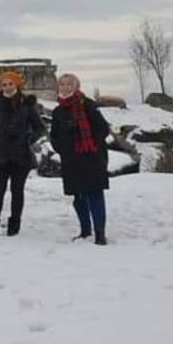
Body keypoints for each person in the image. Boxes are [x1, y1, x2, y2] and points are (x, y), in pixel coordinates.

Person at [0, 71, 45, 238]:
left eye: (10, 84)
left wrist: (28, 139)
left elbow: (40, 127)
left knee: (17, 191)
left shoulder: (27, 105)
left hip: (20, 154)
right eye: (4, 84)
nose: (7, 87)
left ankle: (14, 225)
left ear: (17, 85)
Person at [50, 73, 111, 245]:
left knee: (95, 194)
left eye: (69, 84)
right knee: (78, 197)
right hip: (71, 160)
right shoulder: (58, 111)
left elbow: (103, 129)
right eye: (61, 84)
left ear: (76, 86)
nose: (65, 87)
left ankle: (100, 233)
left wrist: (93, 145)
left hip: (91, 158)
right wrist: (62, 148)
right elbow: (54, 136)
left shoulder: (88, 105)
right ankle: (85, 230)